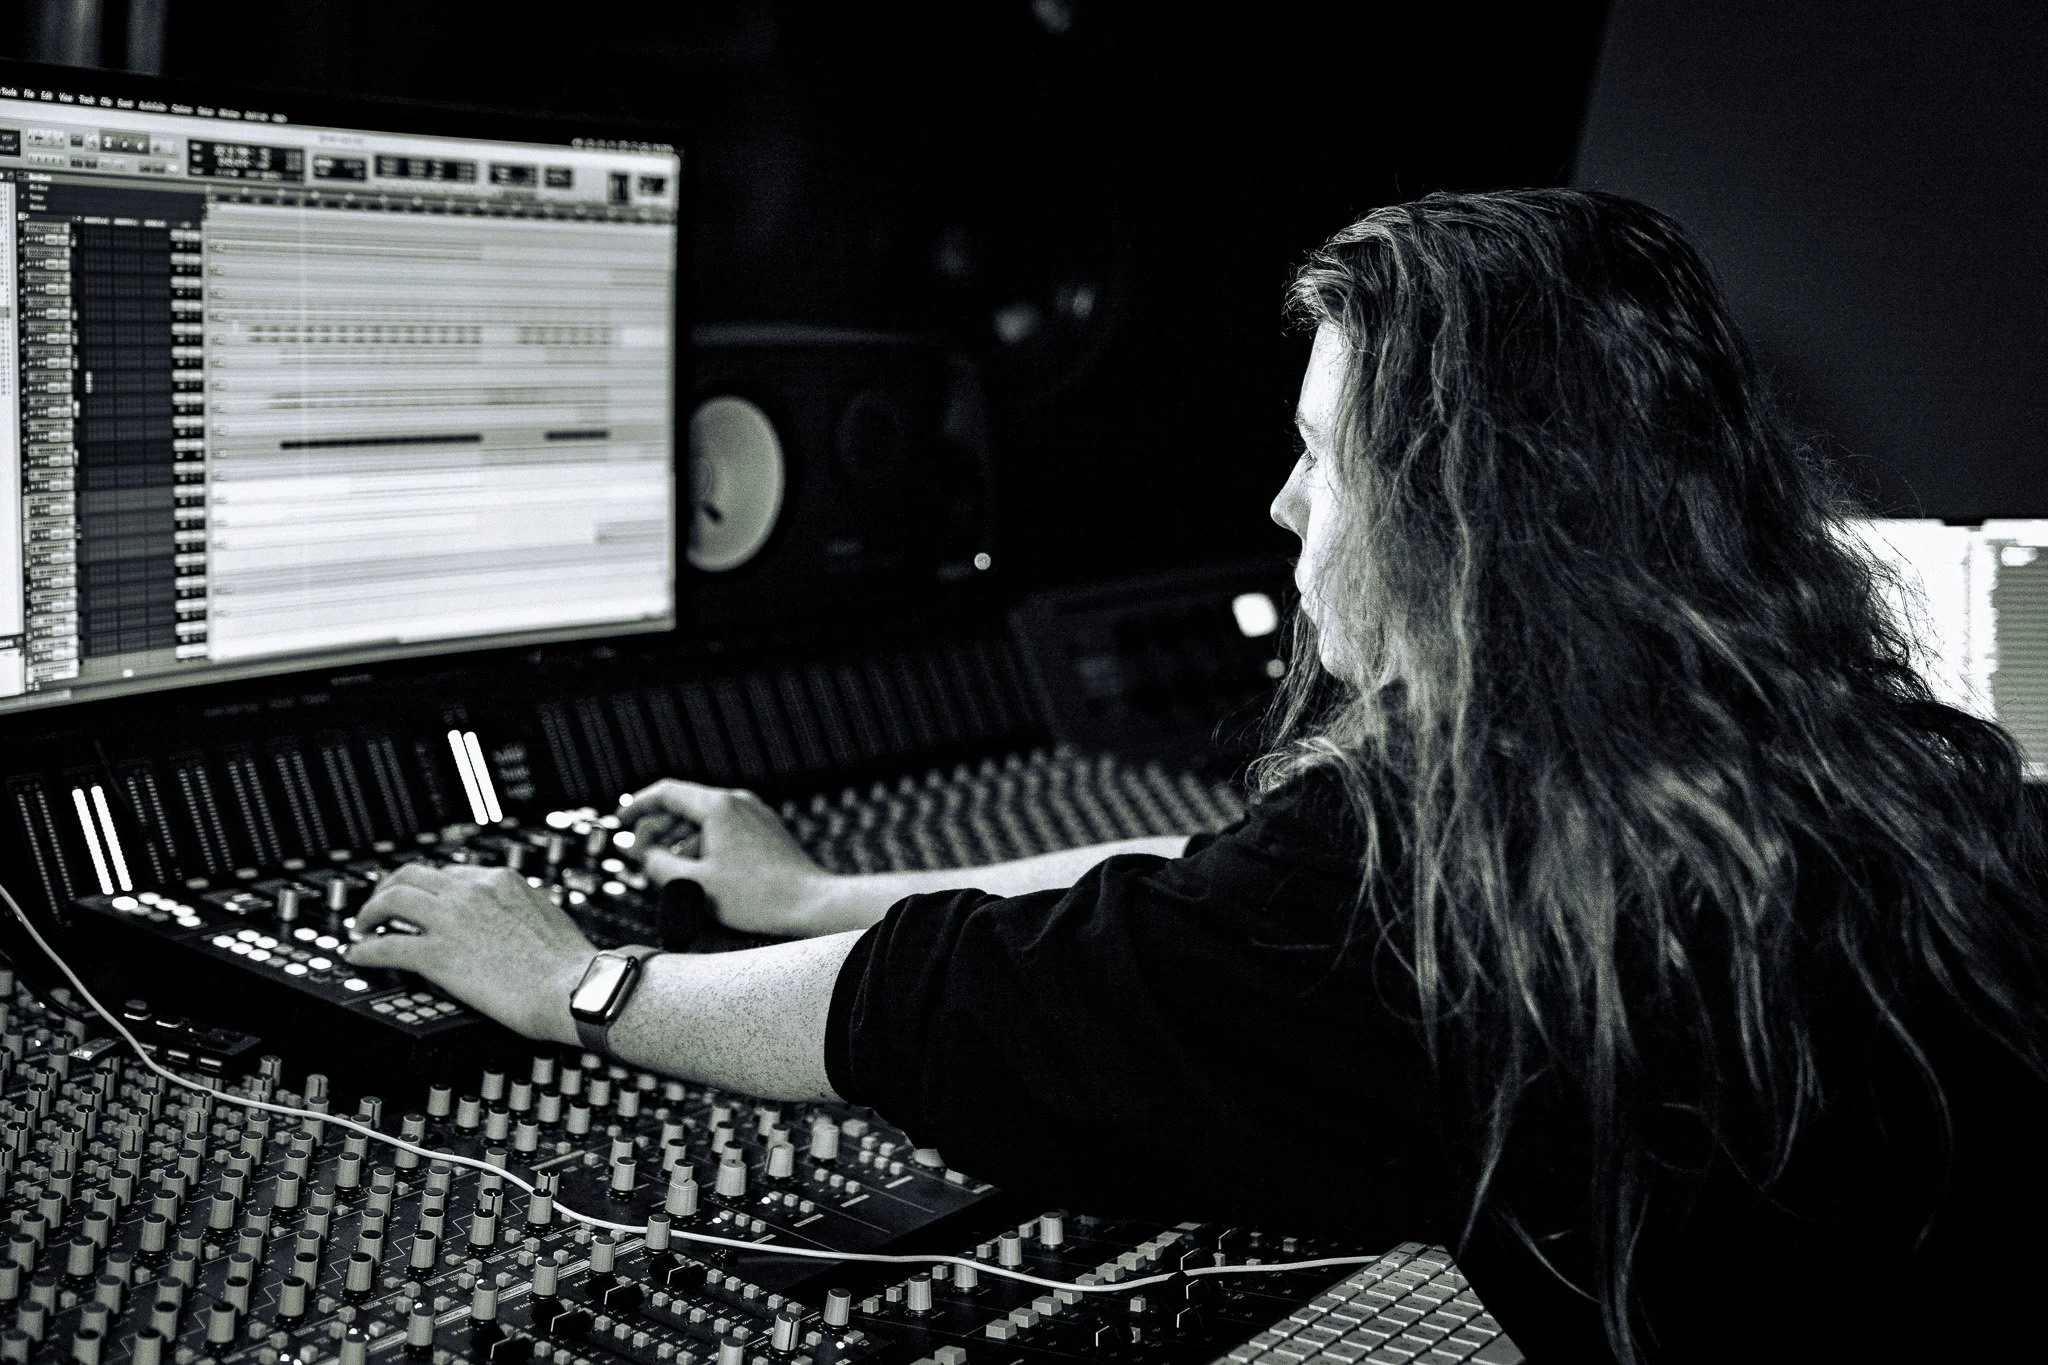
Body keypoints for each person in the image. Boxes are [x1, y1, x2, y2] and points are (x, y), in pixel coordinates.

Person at [348, 188, 2048, 1363]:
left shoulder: (1434, 875)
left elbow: (947, 1007)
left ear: (1473, 519)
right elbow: (1191, 897)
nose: (1285, 508)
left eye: (1324, 456)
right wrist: (811, 894)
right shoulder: (1835, 757)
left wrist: (582, 983)